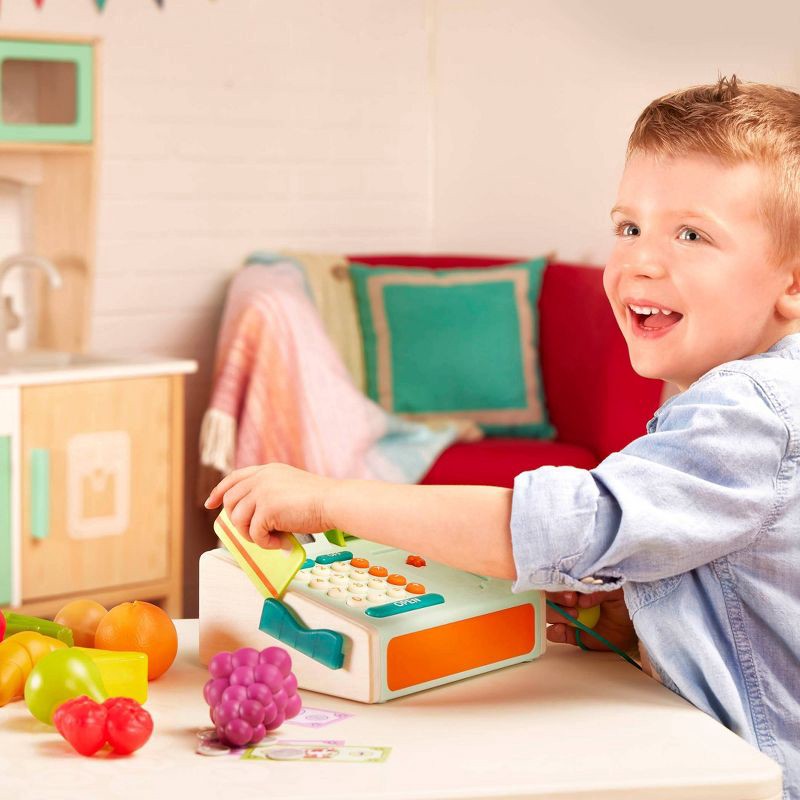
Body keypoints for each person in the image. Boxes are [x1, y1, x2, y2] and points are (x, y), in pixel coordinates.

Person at [205, 76, 800, 798]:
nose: (642, 259)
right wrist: (641, 612)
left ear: (792, 282)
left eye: (692, 234)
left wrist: (332, 498)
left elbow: (572, 525)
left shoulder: (751, 408)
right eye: (628, 226)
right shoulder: (753, 396)